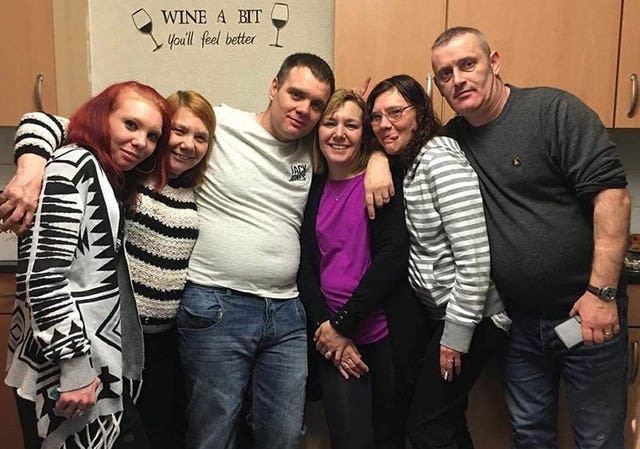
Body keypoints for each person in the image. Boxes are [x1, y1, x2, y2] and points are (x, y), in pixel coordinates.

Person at [430, 26, 631, 448]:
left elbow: (613, 197)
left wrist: (603, 294)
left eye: (468, 64)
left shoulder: (552, 111)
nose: (458, 79)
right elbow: (404, 142)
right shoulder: (453, 141)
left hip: (585, 314)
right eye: (445, 74)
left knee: (597, 440)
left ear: (494, 63)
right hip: (518, 326)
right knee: (529, 437)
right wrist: (375, 158)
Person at [7, 90, 217, 449]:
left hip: (140, 345)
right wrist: (30, 166)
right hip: (77, 350)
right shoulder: (83, 167)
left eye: (151, 134)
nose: (141, 141)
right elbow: (43, 277)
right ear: (102, 118)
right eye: (131, 125)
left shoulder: (124, 174)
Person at [366, 74, 509, 449]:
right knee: (445, 420)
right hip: (446, 316)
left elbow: (475, 259)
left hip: (474, 319)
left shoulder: (439, 160)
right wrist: (378, 156)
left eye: (395, 112)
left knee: (427, 426)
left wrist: (456, 338)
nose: (385, 124)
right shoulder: (412, 160)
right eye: (376, 117)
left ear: (420, 111)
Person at [297, 88, 408, 449]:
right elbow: (306, 268)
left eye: (351, 124)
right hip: (332, 339)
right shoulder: (313, 188)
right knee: (349, 441)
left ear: (365, 134)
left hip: (381, 334)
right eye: (330, 123)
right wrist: (327, 331)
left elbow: (392, 258)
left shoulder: (381, 182)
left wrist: (344, 324)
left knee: (389, 438)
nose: (339, 133)